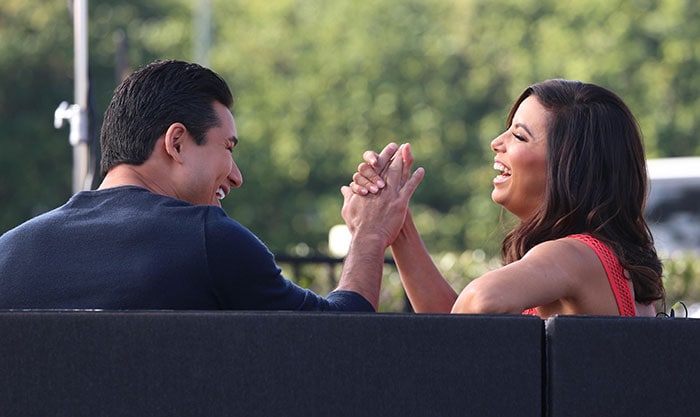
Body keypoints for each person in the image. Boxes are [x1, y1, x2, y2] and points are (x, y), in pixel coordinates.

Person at [0, 59, 422, 311]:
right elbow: (339, 344)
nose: (236, 176)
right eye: (228, 148)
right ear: (177, 142)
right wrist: (370, 234)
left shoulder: (10, 252)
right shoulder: (207, 240)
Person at [348, 79, 665, 317]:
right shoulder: (593, 257)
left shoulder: (574, 255)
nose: (495, 143)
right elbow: (456, 324)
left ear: (569, 167)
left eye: (518, 135)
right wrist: (398, 225)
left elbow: (477, 302)